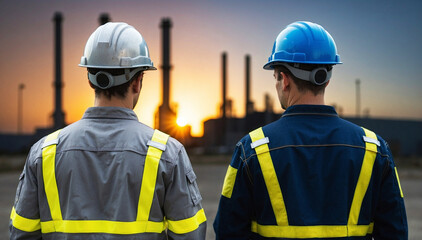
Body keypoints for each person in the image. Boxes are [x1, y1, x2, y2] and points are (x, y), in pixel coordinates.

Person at [9, 22, 206, 240]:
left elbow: (22, 234)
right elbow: (190, 236)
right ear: (138, 81)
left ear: (90, 78)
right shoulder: (167, 154)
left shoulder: (44, 153)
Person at [214, 21, 407, 239]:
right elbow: (395, 232)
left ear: (284, 80)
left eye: (275, 77)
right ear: (326, 79)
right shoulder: (375, 149)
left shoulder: (251, 149)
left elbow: (227, 232)